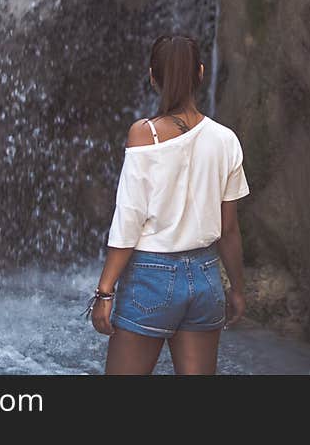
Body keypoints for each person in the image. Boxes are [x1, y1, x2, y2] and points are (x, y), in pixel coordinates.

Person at [86, 33, 251, 374]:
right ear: (201, 74)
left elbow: (129, 220)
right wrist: (236, 288)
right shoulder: (226, 140)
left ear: (152, 76)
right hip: (206, 278)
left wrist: (104, 291)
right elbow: (229, 228)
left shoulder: (144, 134)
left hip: (152, 276)